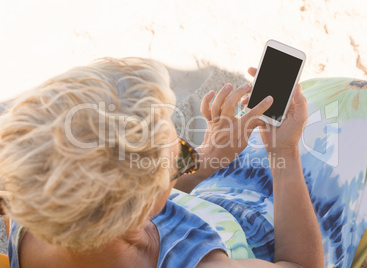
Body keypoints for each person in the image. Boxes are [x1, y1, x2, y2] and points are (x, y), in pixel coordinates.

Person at [0, 56, 340, 268]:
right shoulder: (197, 262)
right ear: (145, 204)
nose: (183, 154)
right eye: (178, 154)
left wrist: (207, 157)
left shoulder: (27, 209)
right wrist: (284, 152)